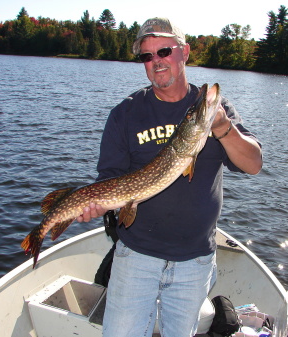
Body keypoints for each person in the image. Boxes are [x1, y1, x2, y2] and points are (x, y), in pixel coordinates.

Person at [77, 17, 263, 337]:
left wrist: (223, 129)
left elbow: (254, 164)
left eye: (163, 50)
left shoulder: (216, 112)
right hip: (135, 256)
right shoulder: (125, 114)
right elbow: (109, 176)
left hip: (195, 262)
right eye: (146, 56)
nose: (156, 61)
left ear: (185, 52)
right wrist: (97, 203)